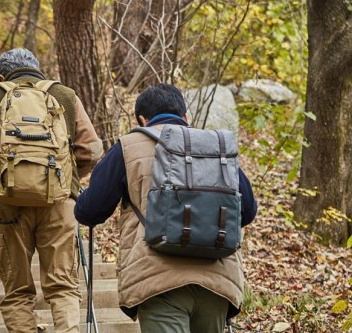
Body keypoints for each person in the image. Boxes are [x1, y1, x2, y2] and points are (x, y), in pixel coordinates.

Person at [74, 83, 257, 333]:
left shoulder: (128, 147)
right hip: (217, 283)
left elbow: (90, 211)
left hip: (159, 282)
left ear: (142, 118)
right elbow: (248, 211)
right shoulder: (216, 147)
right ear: (185, 116)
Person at [0, 48, 103, 333]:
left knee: (17, 290)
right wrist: (63, 178)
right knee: (64, 287)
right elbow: (91, 151)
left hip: (8, 207)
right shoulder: (66, 96)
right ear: (38, 70)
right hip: (58, 204)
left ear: (2, 76)